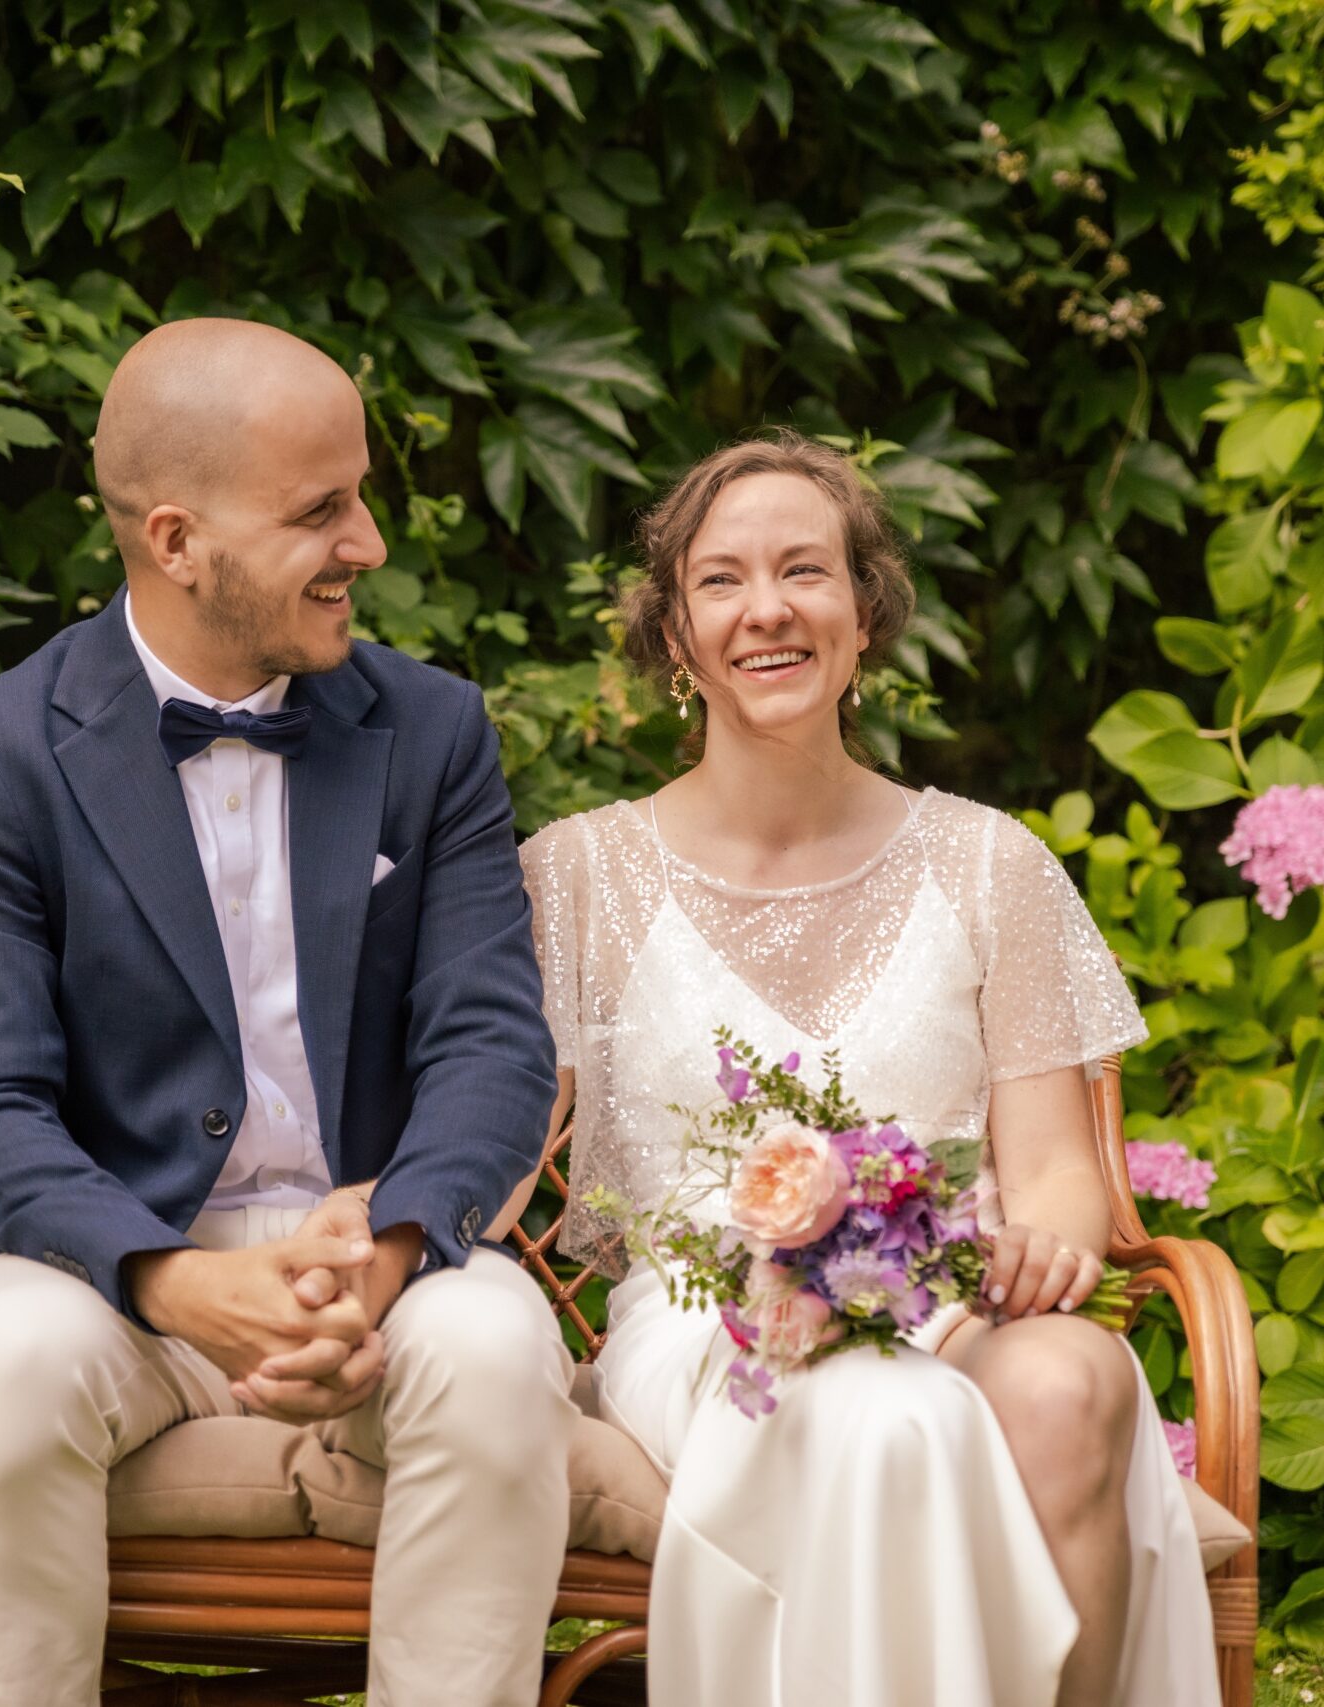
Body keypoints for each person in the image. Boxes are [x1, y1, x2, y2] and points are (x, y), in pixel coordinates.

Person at [0, 317, 577, 1707]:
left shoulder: (435, 731)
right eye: (320, 510)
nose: (367, 543)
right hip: (106, 1269)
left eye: (360, 497)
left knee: (501, 1347)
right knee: (11, 1362)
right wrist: (171, 1280)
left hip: (371, 1248)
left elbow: (492, 1043)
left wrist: (390, 1248)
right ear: (176, 540)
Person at [518, 430, 1220, 1707]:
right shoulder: (575, 875)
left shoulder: (990, 865)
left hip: (944, 1291)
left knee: (1073, 1380)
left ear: (864, 613)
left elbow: (1058, 1176)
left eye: (805, 570)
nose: (767, 608)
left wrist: (1043, 1249)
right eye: (721, 581)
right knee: (889, 1416)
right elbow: (499, 1141)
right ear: (674, 636)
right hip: (720, 1318)